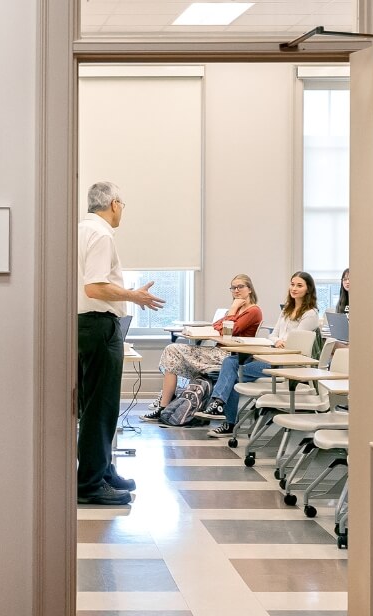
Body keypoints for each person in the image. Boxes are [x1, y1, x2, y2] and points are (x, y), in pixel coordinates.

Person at [77, 181, 166, 506]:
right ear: (114, 204)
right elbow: (95, 288)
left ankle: (101, 470)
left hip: (81, 327)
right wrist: (133, 295)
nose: (122, 212)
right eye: (123, 206)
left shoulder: (79, 230)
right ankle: (89, 483)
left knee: (91, 407)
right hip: (99, 325)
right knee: (101, 408)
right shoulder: (101, 235)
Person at [201, 271, 321, 438]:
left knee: (235, 374)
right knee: (230, 361)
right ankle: (218, 403)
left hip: (287, 362)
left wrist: (281, 340)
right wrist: (278, 340)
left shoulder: (311, 314)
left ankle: (229, 423)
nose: (294, 288)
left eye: (299, 285)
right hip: (273, 354)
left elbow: (297, 339)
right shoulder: (287, 309)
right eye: (292, 284)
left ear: (308, 289)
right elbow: (273, 335)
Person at [141, 274, 261, 421]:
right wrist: (228, 318)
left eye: (240, 287)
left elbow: (228, 330)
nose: (236, 290)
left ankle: (165, 404)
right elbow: (216, 325)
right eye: (233, 288)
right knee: (171, 351)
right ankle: (164, 405)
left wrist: (233, 309)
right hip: (218, 351)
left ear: (250, 289)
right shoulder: (237, 311)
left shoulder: (253, 311)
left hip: (230, 355)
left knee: (173, 351)